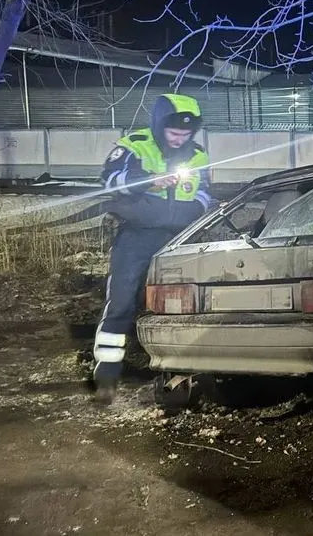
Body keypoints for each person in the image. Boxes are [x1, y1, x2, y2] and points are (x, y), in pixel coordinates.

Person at [92, 93, 215, 405]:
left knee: (181, 305)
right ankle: (107, 374)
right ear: (160, 126)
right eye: (174, 132)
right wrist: (149, 181)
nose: (179, 138)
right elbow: (110, 182)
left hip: (180, 239)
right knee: (120, 303)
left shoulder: (198, 155)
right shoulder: (134, 145)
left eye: (185, 134)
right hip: (136, 236)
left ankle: (178, 374)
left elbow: (205, 194)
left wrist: (193, 214)